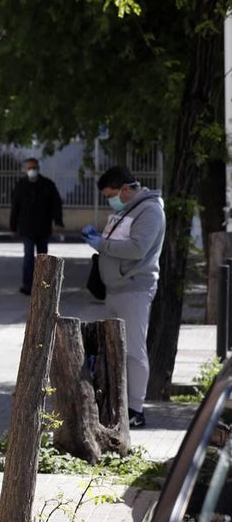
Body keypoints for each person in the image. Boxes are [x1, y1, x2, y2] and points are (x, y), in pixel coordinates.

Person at [82, 165, 165, 429]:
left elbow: (137, 249)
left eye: (113, 194)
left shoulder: (150, 210)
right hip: (115, 289)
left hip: (135, 288)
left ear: (127, 188)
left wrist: (101, 244)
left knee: (134, 349)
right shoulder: (126, 209)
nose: (111, 200)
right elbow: (117, 241)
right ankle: (119, 403)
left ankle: (136, 410)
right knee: (115, 347)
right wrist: (99, 238)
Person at [9, 157, 64, 295]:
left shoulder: (47, 185)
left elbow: (56, 204)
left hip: (43, 228)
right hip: (26, 228)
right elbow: (15, 207)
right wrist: (13, 227)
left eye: (34, 167)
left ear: (38, 168)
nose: (32, 170)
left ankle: (43, 286)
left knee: (43, 259)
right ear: (25, 169)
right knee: (28, 257)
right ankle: (28, 286)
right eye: (29, 168)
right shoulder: (21, 185)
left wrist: (58, 221)